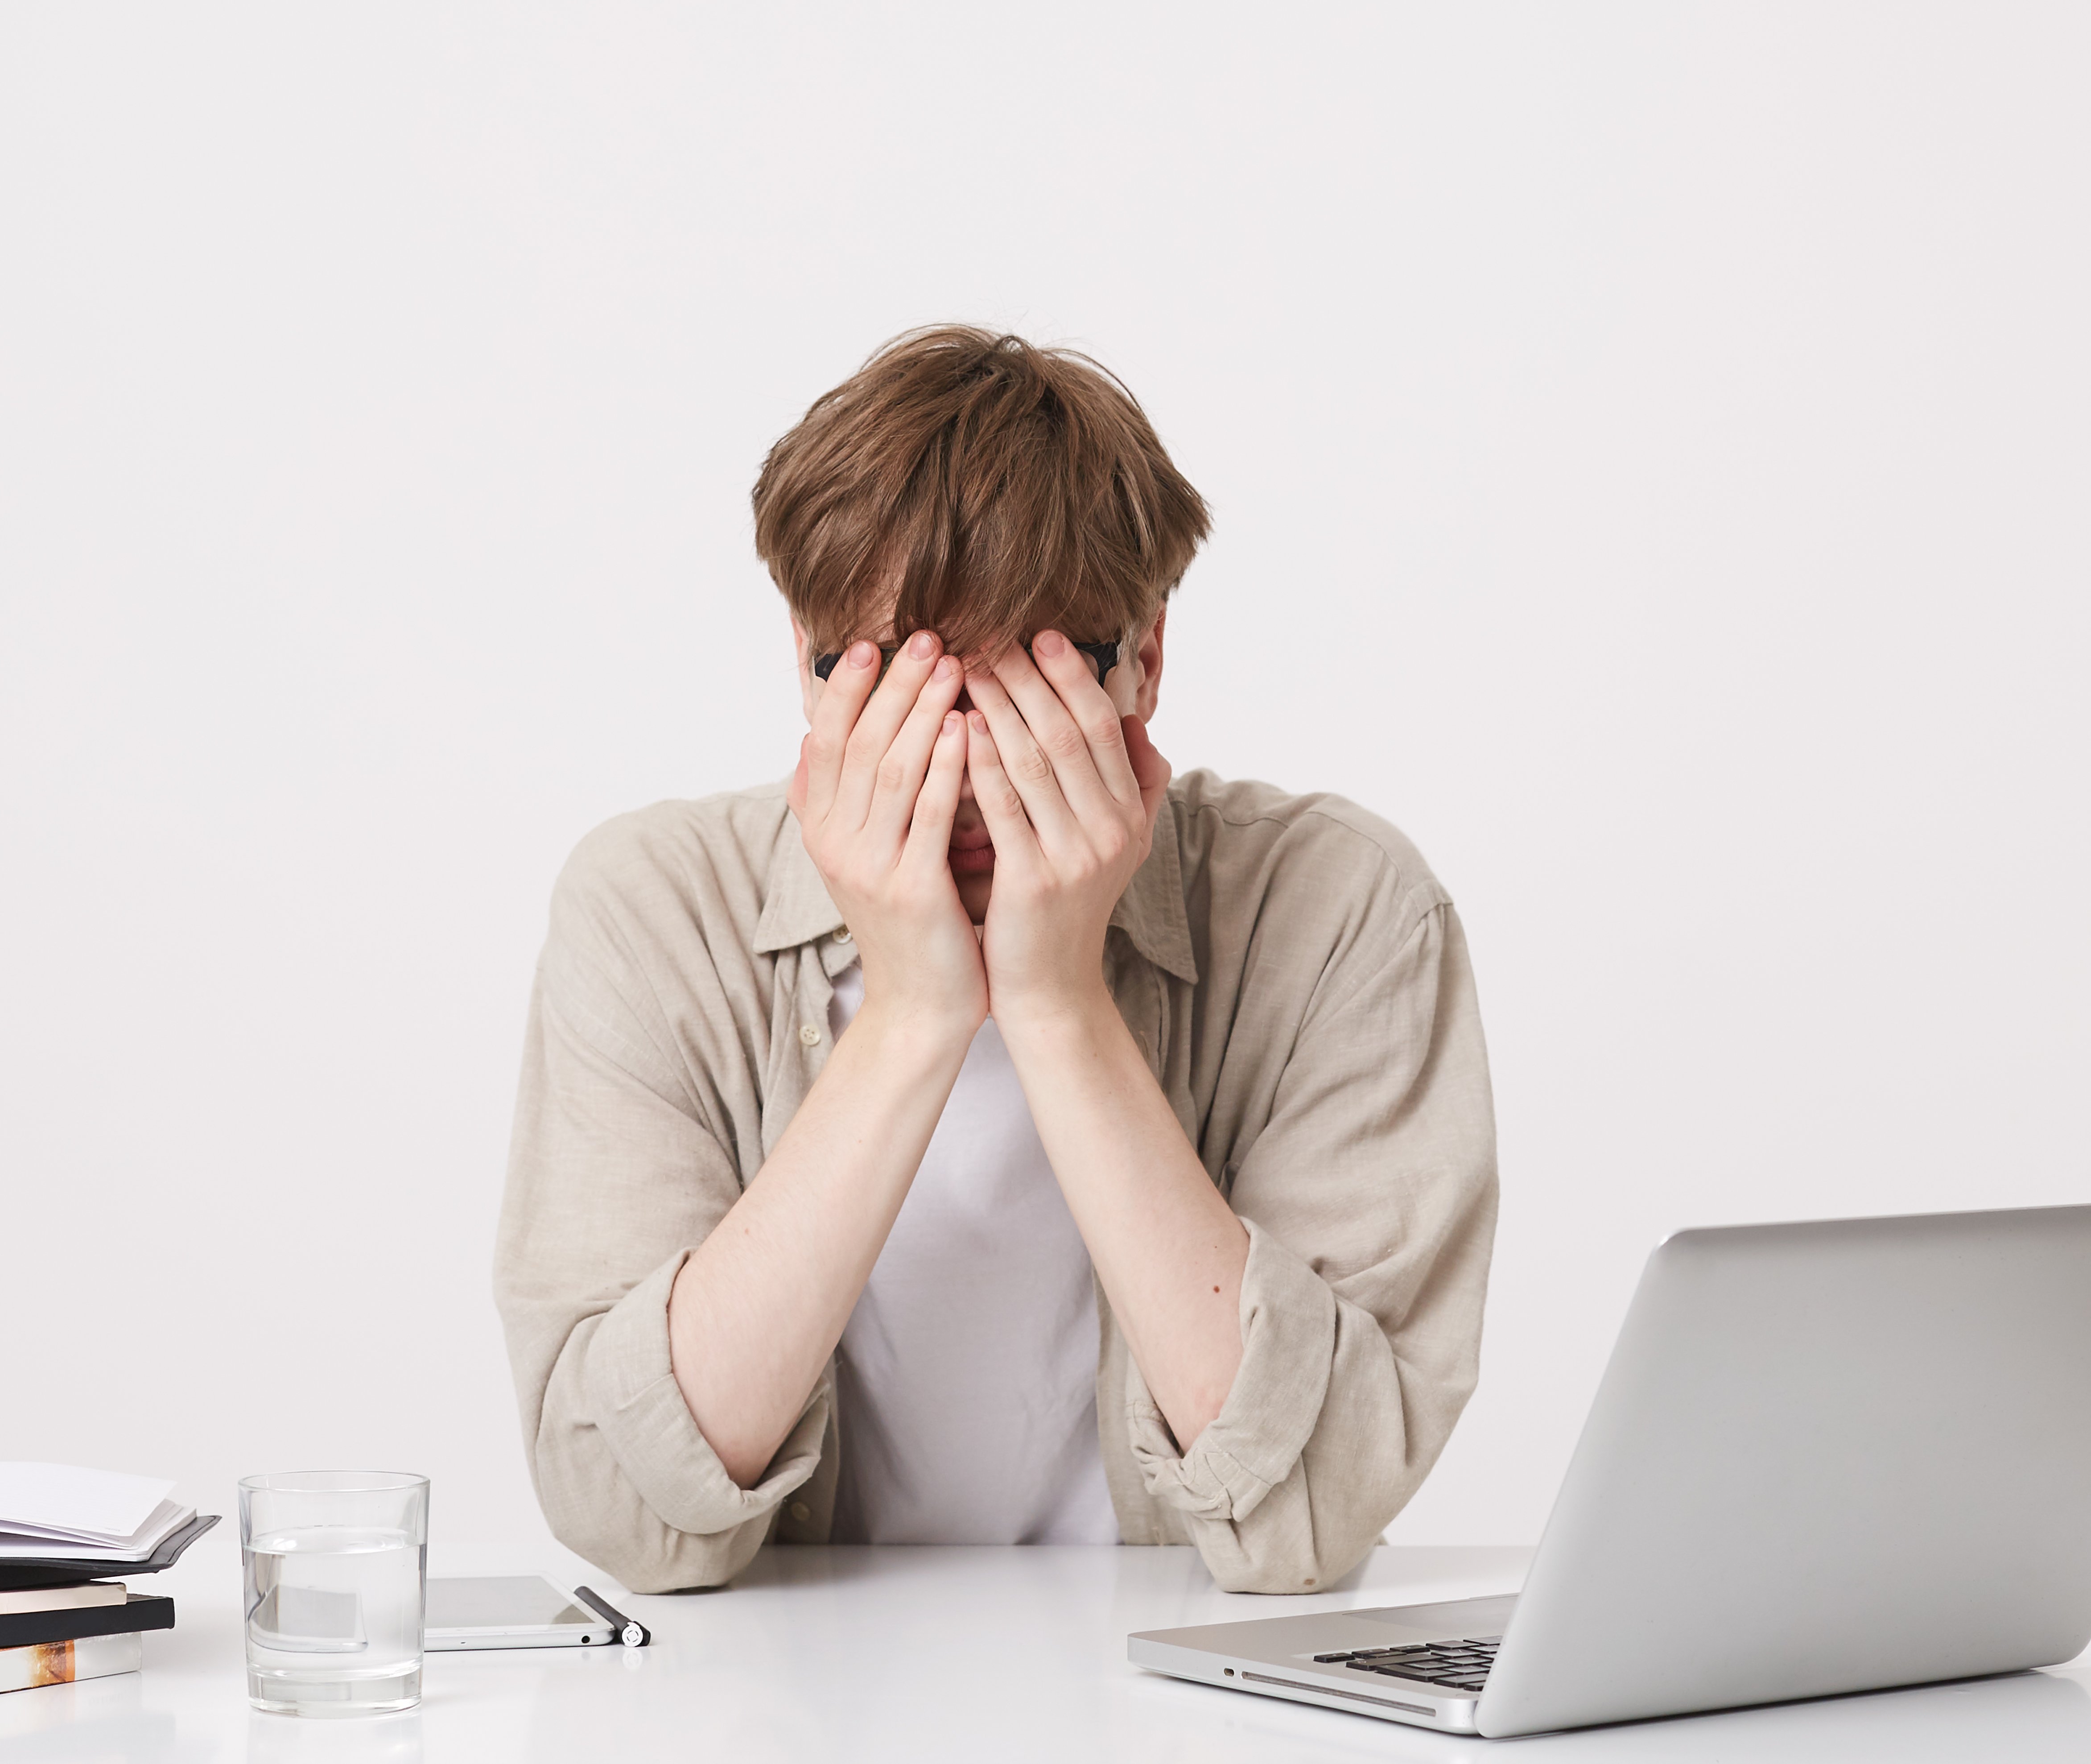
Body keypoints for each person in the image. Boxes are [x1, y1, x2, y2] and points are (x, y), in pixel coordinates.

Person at [493, 326, 1497, 1594]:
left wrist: (1060, 1001)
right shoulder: (648, 910)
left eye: (1027, 695)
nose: (966, 770)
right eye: (908, 696)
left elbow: (1312, 1512)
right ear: (804, 663)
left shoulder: (1346, 911)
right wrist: (913, 1011)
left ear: (1147, 659)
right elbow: (628, 1514)